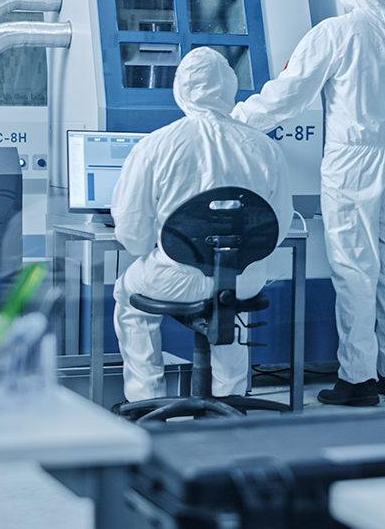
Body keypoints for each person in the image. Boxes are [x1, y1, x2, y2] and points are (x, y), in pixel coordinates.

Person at [232, 0, 385, 406]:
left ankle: (357, 381)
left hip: (354, 161)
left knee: (354, 271)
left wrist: (234, 120)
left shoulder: (335, 32)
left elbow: (286, 96)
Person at [111, 47, 292, 403]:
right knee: (229, 303)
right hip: (244, 280)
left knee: (127, 295)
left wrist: (160, 245)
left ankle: (146, 400)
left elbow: (132, 235)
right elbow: (279, 226)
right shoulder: (265, 148)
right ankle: (230, 399)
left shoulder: (155, 146)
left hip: (176, 279)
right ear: (229, 88)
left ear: (179, 89)